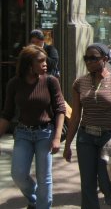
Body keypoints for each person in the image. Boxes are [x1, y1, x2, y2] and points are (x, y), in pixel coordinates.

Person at [63, 43, 111, 209]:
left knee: (107, 182)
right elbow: (75, 116)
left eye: (93, 58)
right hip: (85, 137)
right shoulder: (79, 83)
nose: (89, 62)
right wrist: (67, 144)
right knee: (87, 184)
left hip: (108, 138)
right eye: (86, 58)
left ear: (105, 59)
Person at [0, 45, 66, 209]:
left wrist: (57, 137)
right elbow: (7, 113)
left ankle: (44, 206)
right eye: (40, 61)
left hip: (45, 133)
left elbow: (60, 109)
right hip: (23, 133)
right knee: (18, 174)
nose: (46, 64)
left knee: (44, 177)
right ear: (29, 64)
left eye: (46, 60)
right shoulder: (14, 84)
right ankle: (34, 196)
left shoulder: (51, 81)